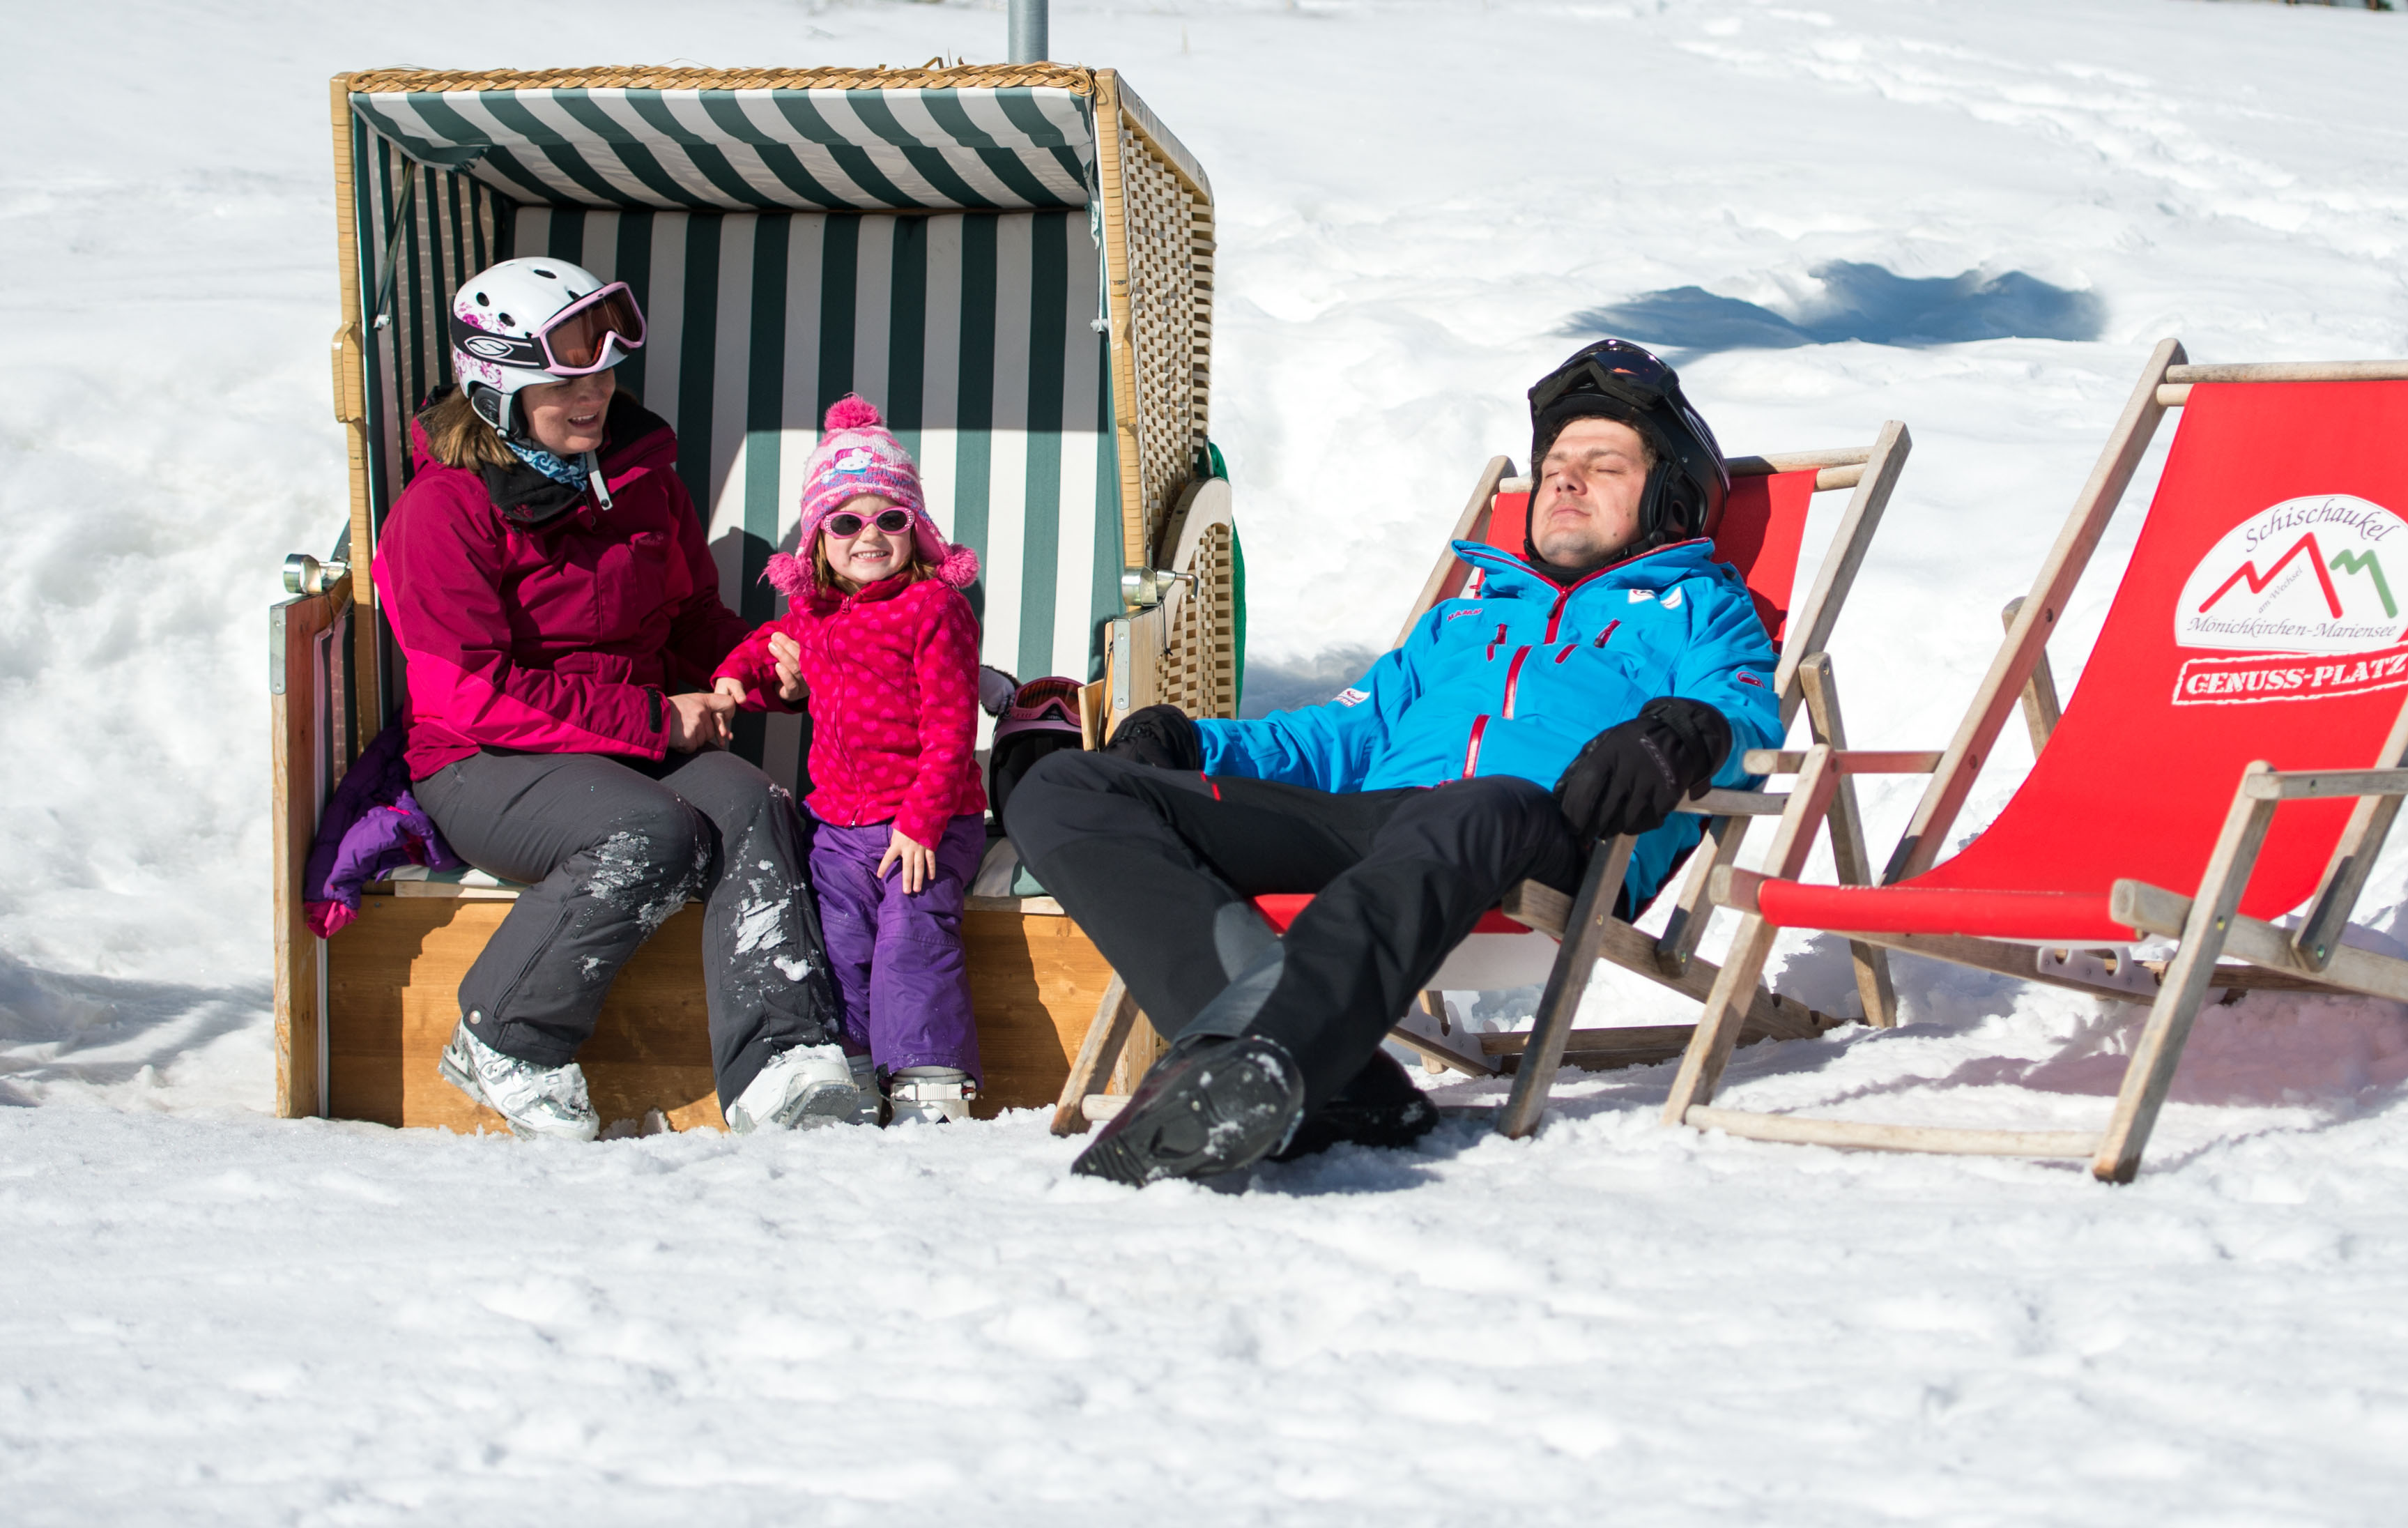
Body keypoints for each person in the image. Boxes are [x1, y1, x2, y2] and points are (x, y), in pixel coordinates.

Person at [1004, 340, 1780, 1189]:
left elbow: (1745, 718)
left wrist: (1682, 733)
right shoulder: (1462, 618)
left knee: (1477, 803)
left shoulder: (1700, 604)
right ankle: (1316, 1073)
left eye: (1603, 465)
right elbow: (1343, 735)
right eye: (1554, 464)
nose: (1563, 479)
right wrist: (1196, 744)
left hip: (1550, 833)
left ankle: (1263, 1056)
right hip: (1383, 826)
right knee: (1064, 788)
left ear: (1670, 498)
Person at [374, 257, 868, 1140]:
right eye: (565, 382)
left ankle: (781, 1064)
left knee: (754, 803)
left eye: (602, 373)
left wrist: (767, 663)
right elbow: (469, 689)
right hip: (484, 764)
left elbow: (689, 623)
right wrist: (652, 718)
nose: (594, 396)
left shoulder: (642, 481)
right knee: (649, 830)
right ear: (499, 386)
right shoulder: (440, 512)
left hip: (622, 744)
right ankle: (505, 1035)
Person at [711, 398, 991, 1126]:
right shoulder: (815, 614)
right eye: (845, 522)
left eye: (889, 519)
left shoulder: (934, 608)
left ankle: (931, 1078)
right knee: (840, 945)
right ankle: (857, 1069)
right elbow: (773, 656)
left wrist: (922, 823)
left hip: (922, 820)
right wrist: (735, 678)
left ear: (916, 531)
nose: (869, 535)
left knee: (912, 936)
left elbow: (952, 725)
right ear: (817, 542)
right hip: (838, 823)